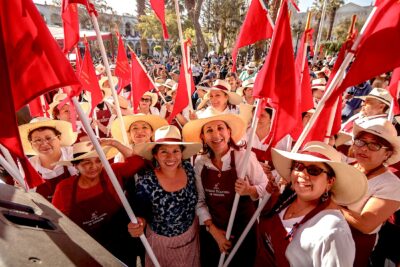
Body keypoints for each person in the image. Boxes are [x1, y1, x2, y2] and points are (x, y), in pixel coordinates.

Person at [256, 141, 367, 266]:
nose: (303, 174)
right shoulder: (284, 201)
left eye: (313, 170)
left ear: (330, 181)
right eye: (298, 166)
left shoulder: (334, 230)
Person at [182, 108, 269, 267]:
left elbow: (264, 186)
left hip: (244, 233)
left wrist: (249, 190)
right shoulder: (201, 163)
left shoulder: (245, 157)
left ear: (229, 132)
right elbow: (200, 202)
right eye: (209, 130)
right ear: (203, 136)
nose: (216, 135)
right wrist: (214, 231)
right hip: (214, 234)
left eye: (220, 128)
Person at [52, 140, 145, 266]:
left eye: (98, 161)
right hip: (90, 248)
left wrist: (114, 143)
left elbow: (137, 161)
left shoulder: (111, 173)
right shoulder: (64, 188)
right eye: (86, 163)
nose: (94, 167)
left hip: (121, 241)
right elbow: (57, 221)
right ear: (75, 166)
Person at [127, 125, 202, 267]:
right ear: (155, 155)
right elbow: (141, 214)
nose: (171, 157)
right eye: (164, 152)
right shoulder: (147, 181)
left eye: (175, 151)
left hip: (191, 238)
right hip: (161, 244)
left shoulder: (189, 169)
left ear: (182, 153)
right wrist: (138, 224)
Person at [340, 118, 400, 267]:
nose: (364, 148)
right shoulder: (345, 165)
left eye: (374, 145)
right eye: (360, 141)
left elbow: (366, 224)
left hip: (352, 248)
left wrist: (330, 204)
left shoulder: (392, 184)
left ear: (387, 154)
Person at [19, 118, 78, 201]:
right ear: (32, 144)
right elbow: (28, 197)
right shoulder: (28, 166)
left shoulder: (74, 154)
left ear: (59, 138)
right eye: (37, 140)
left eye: (48, 138)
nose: (44, 143)